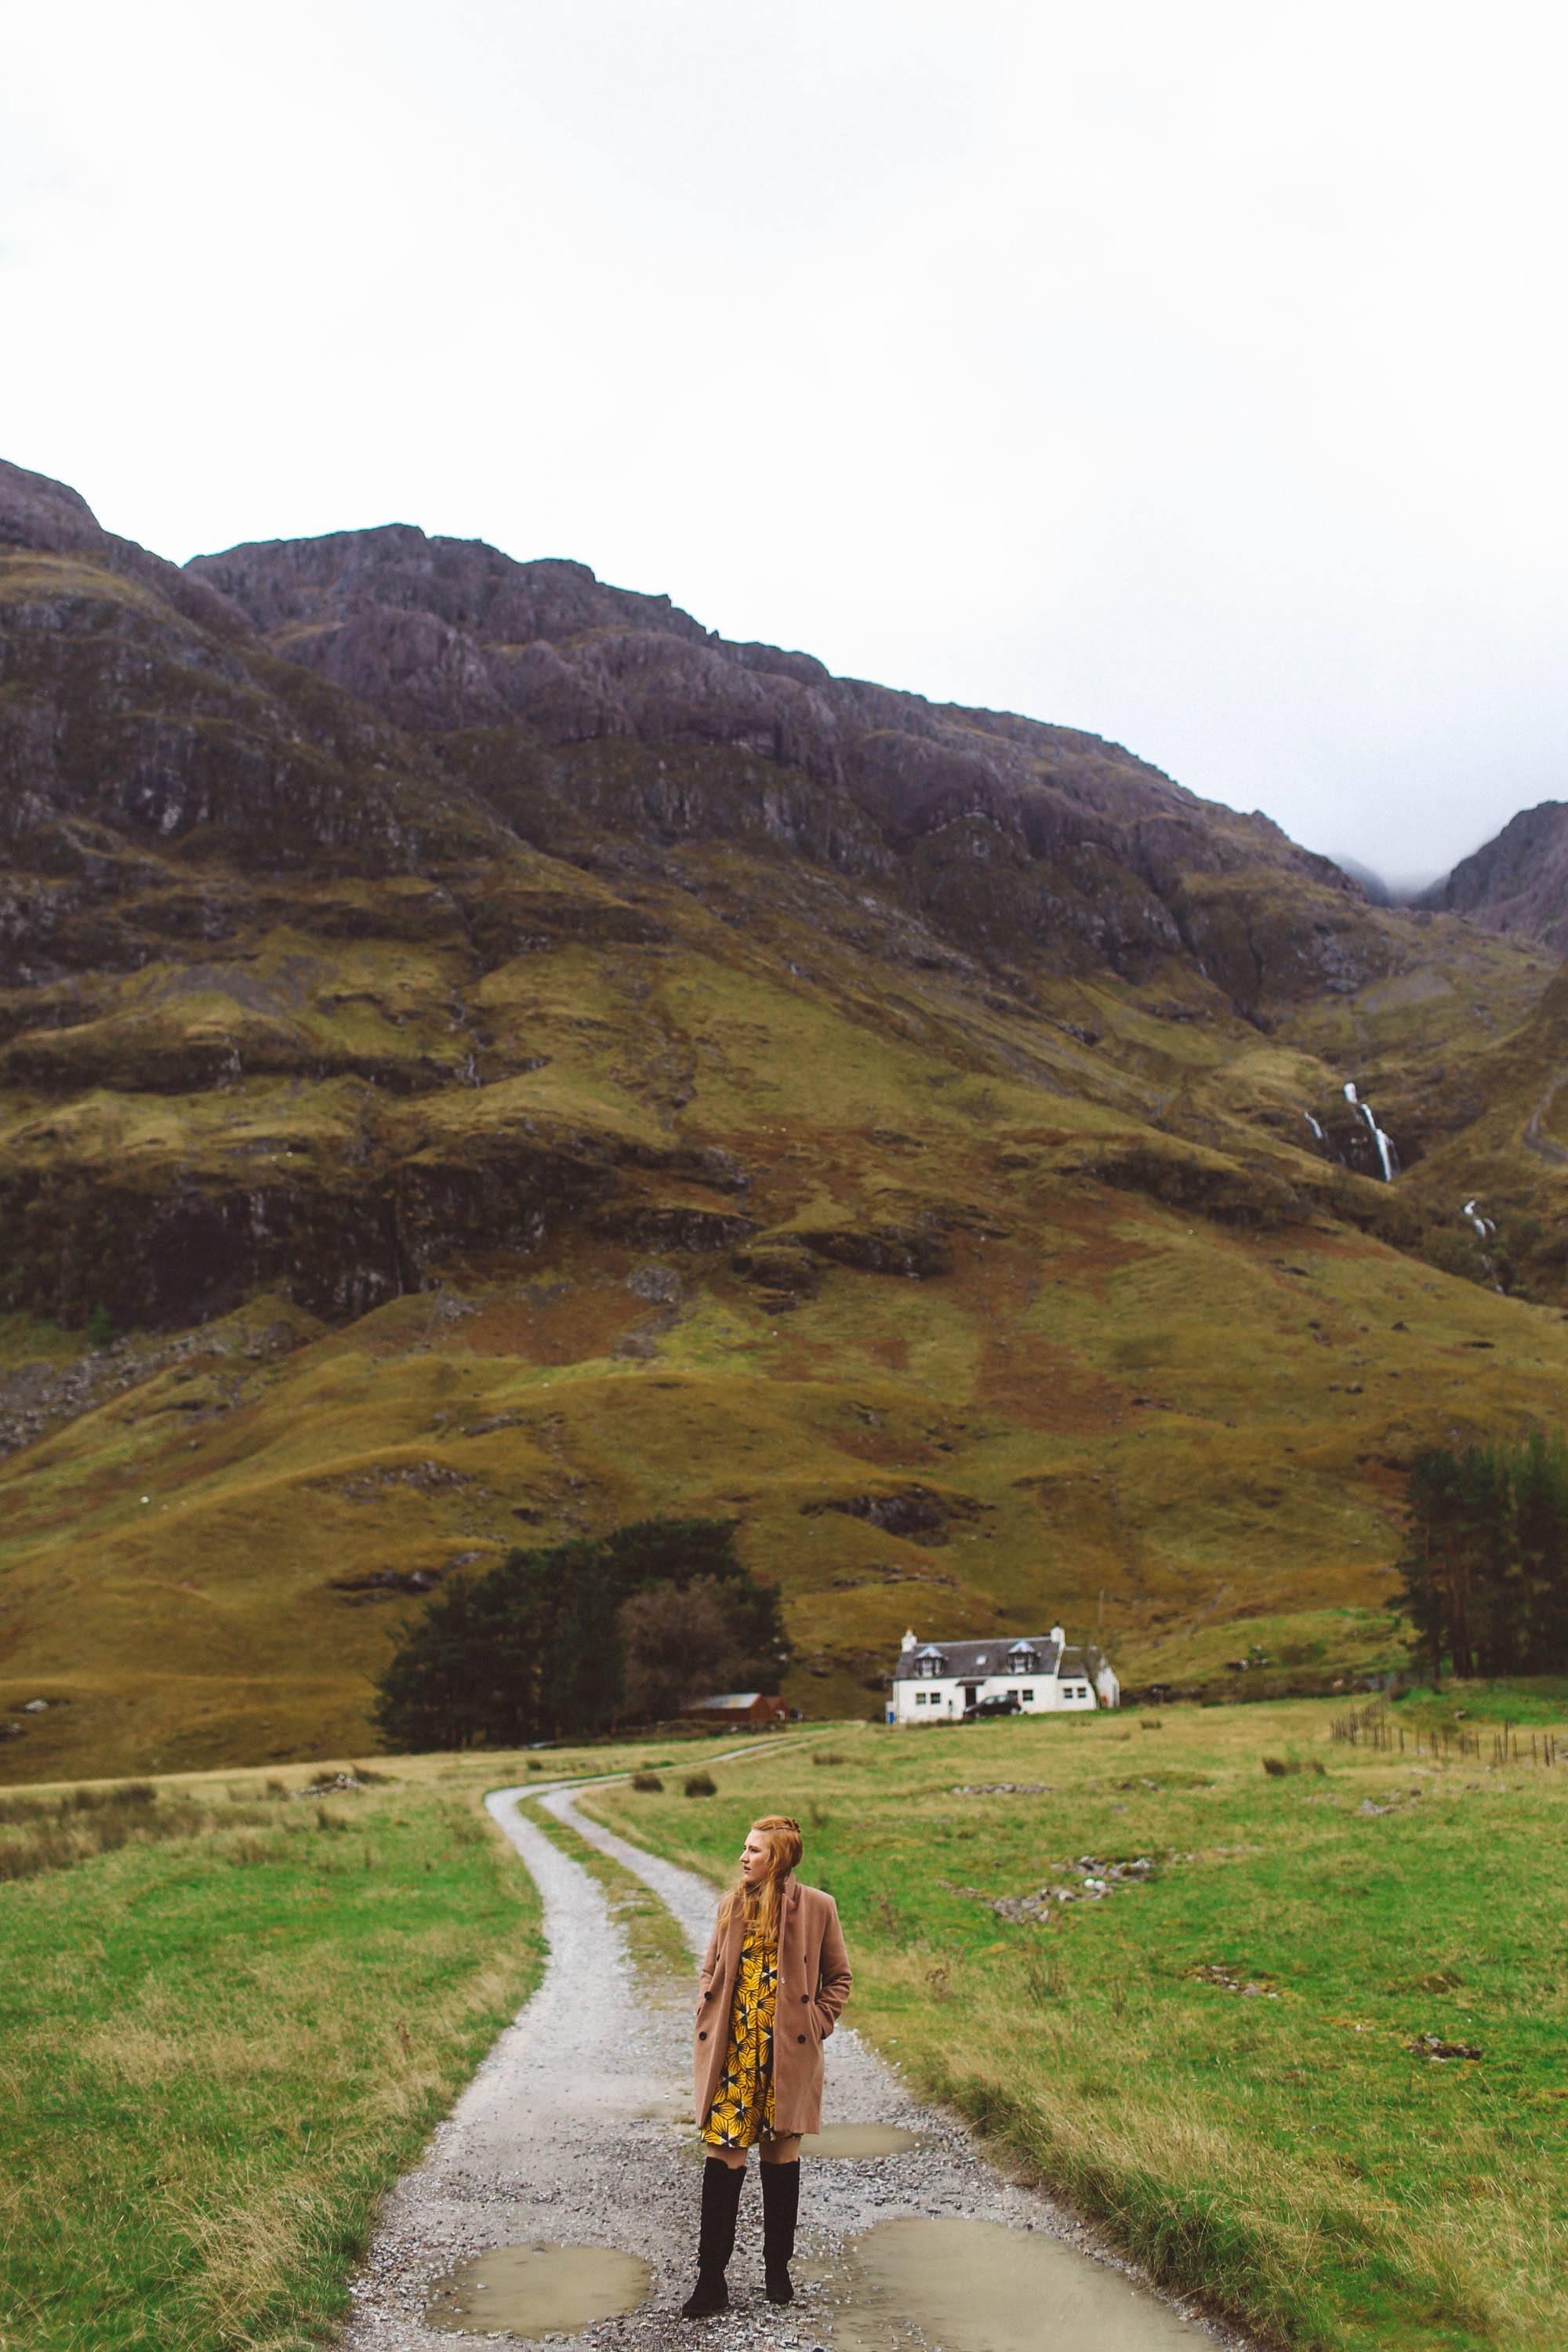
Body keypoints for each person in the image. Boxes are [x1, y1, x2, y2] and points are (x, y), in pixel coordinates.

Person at [681, 1813, 851, 2318]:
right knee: (722, 2162)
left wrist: (816, 2023)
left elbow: (839, 1978)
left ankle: (777, 2271)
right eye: (744, 1848)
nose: (743, 1857)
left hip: (786, 2058)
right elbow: (710, 1968)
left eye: (754, 1850)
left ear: (777, 1858)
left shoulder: (819, 1908)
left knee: (781, 2165)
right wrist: (706, 2008)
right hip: (734, 2057)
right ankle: (711, 2281)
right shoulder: (732, 1906)